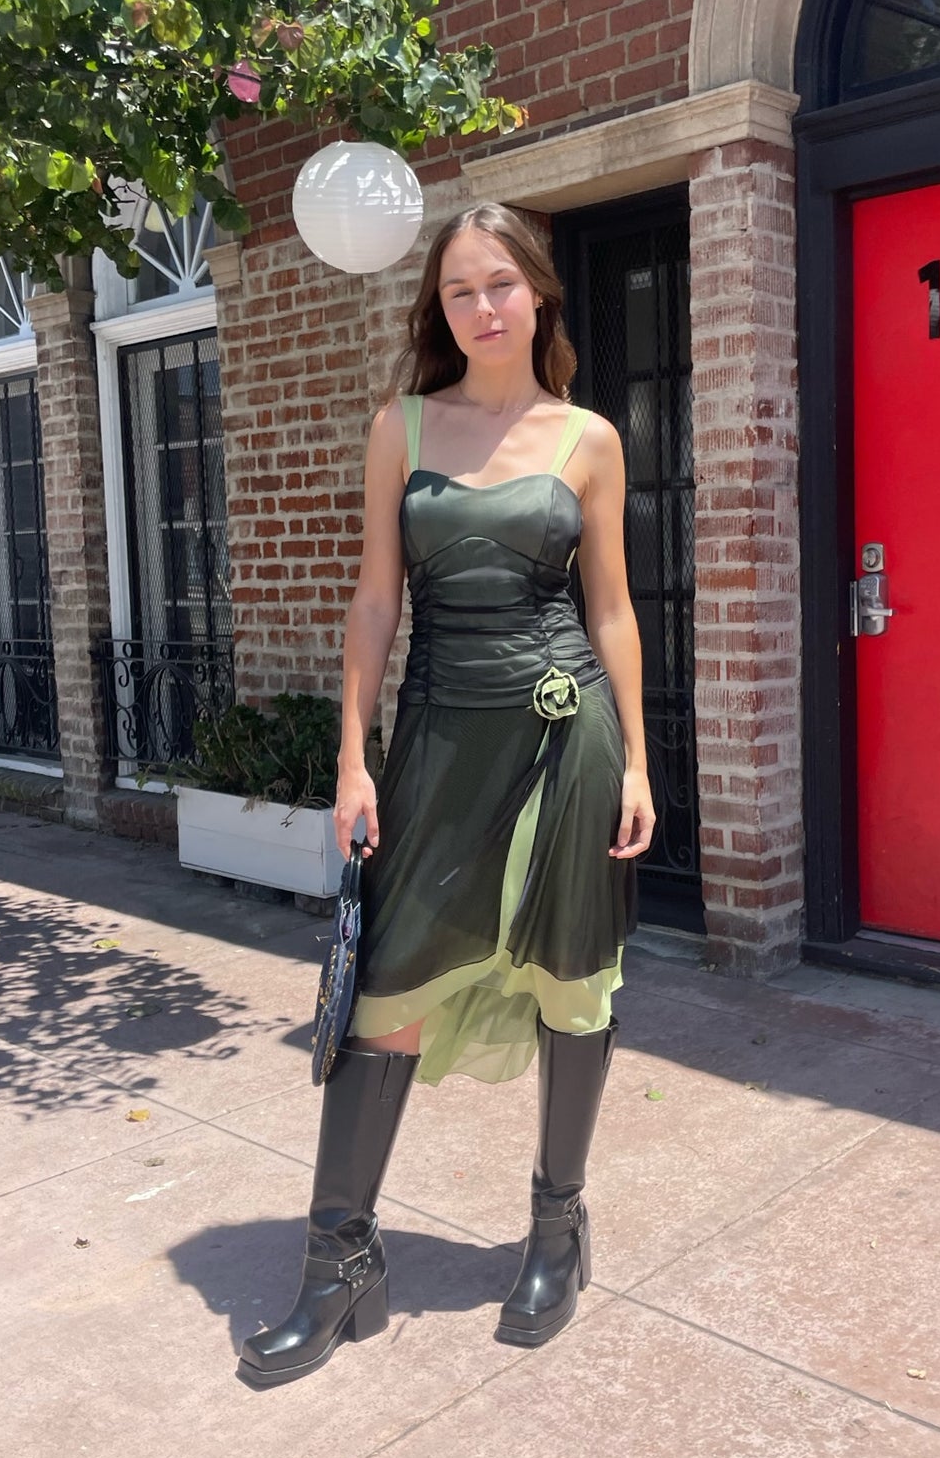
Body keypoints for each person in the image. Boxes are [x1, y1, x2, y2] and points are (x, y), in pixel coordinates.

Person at [238, 203, 656, 1388]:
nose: (480, 307)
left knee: (572, 983)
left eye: (499, 284)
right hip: (433, 740)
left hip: (563, 738)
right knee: (385, 997)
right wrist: (352, 755)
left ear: (538, 294)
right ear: (440, 308)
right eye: (458, 290)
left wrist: (636, 759)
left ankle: (555, 1233)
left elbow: (611, 607)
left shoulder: (588, 438)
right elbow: (375, 599)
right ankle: (337, 1264)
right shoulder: (402, 425)